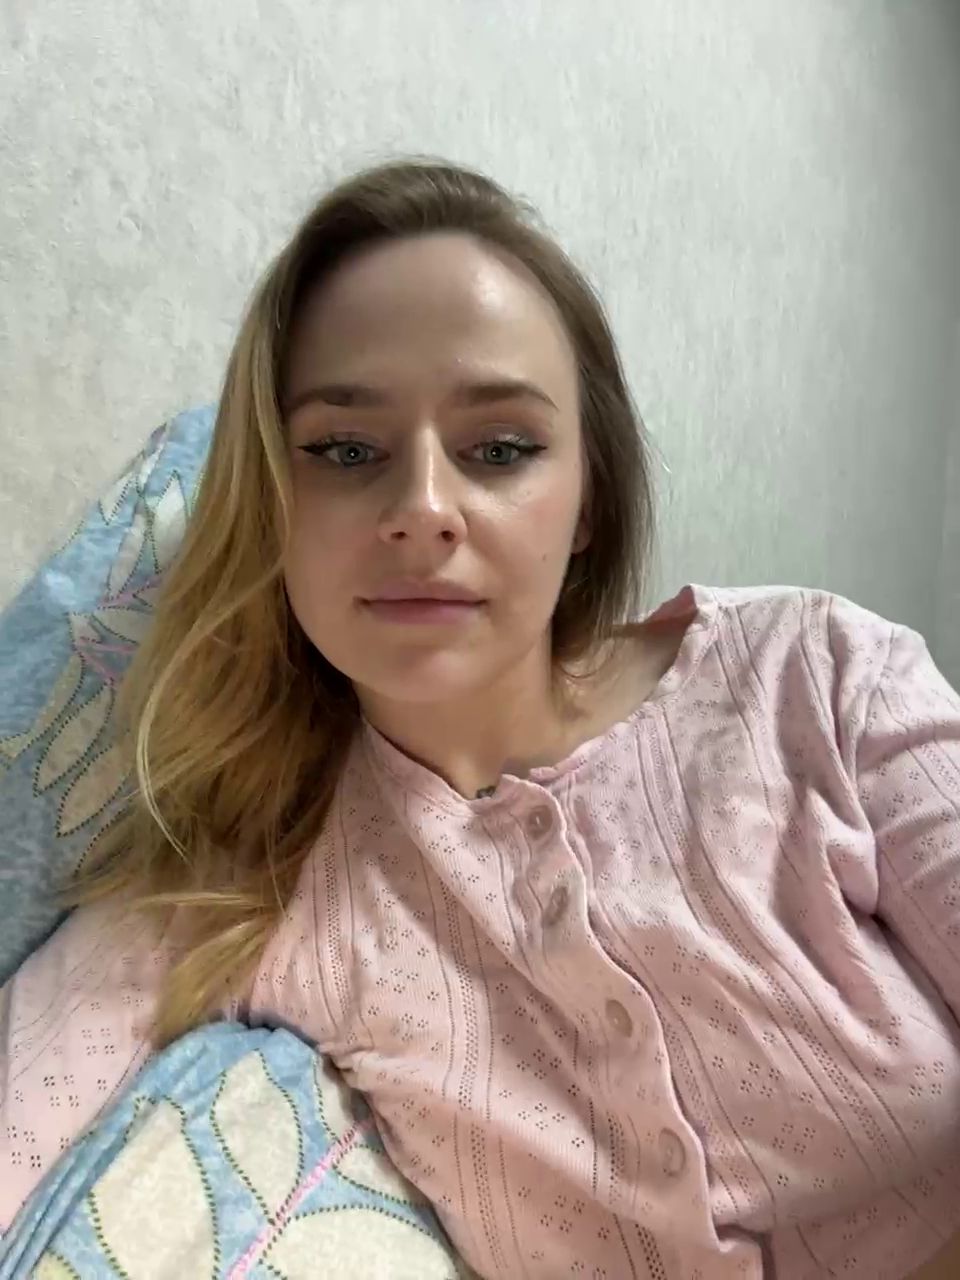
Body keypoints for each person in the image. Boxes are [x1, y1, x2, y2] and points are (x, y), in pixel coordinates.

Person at [1, 159, 959, 1280]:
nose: (422, 510)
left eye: (501, 449)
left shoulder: (821, 677)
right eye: (345, 451)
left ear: (589, 497)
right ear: (273, 503)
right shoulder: (247, 885)